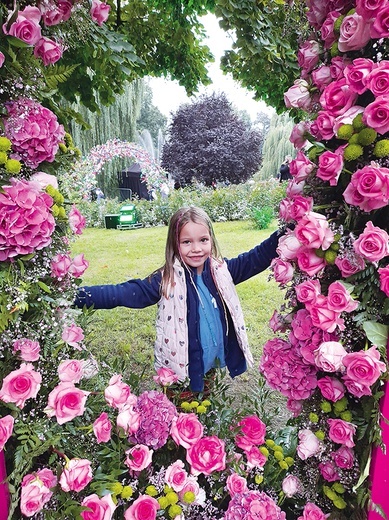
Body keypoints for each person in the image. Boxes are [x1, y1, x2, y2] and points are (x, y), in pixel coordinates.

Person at [75, 206, 281, 392]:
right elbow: (122, 293)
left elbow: (257, 257)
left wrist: (287, 231)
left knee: (205, 403)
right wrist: (76, 295)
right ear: (175, 244)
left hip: (209, 363)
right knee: (183, 414)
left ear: (211, 239)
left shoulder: (222, 272)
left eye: (203, 240)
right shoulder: (166, 281)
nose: (197, 248)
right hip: (181, 370)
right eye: (186, 242)